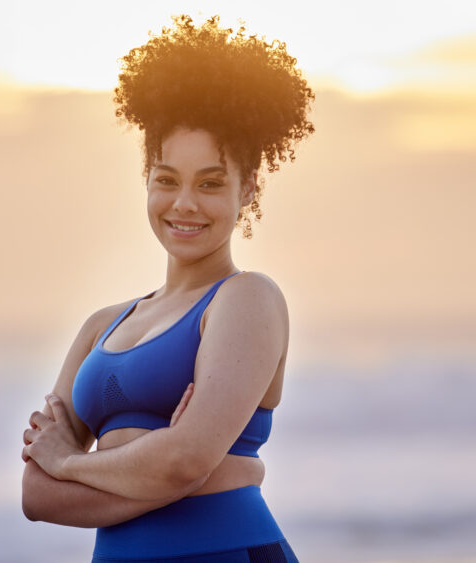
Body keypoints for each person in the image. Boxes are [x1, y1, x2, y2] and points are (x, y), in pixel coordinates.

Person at [20, 14, 315, 562]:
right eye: (166, 179)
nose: (184, 204)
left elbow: (181, 463)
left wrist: (72, 463)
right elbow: (37, 495)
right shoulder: (99, 325)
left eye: (210, 182)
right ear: (146, 179)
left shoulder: (247, 300)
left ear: (247, 188)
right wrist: (162, 465)